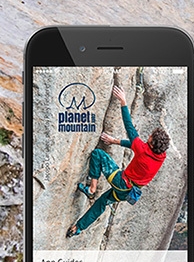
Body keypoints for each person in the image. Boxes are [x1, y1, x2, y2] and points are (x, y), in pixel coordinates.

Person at [67, 85, 170, 237]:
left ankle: (91, 188)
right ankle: (79, 228)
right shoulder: (160, 156)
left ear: (153, 143)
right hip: (128, 193)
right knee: (101, 203)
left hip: (121, 183)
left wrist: (123, 101)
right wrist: (114, 141)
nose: (149, 136)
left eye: (151, 137)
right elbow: (137, 147)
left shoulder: (143, 149)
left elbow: (129, 128)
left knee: (97, 154)